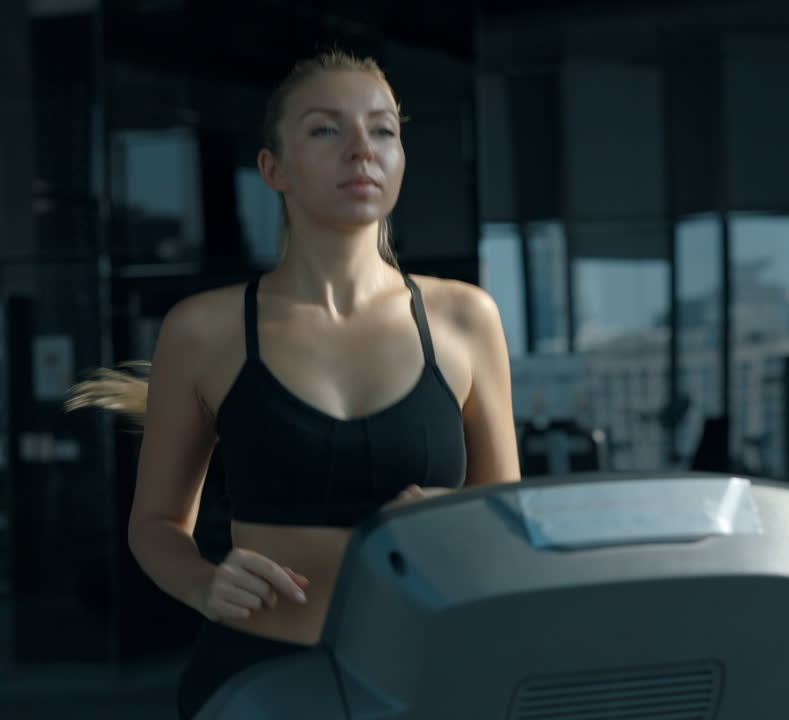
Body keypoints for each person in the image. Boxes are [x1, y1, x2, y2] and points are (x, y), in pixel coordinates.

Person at [65, 49, 521, 719]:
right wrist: (202, 584)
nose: (362, 149)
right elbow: (155, 526)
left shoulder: (465, 317)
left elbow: (507, 516)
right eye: (326, 129)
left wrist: (450, 522)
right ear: (272, 169)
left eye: (383, 129)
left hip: (429, 674)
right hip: (259, 676)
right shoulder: (203, 329)